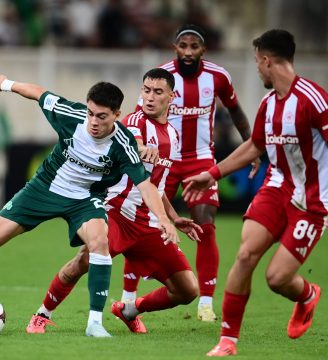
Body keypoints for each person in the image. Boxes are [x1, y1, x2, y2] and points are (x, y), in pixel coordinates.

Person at [0, 74, 179, 338]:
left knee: (99, 243)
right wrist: (6, 84)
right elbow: (38, 93)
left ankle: (94, 323)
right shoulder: (70, 115)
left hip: (85, 199)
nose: (93, 121)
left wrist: (164, 220)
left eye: (101, 116)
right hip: (44, 187)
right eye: (90, 113)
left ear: (116, 115)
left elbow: (146, 186)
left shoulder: (123, 144)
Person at [182, 29, 328, 356]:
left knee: (277, 278)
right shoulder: (268, 103)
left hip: (312, 203)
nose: (257, 69)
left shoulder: (312, 99)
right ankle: (227, 341)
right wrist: (211, 173)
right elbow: (254, 147)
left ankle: (306, 295)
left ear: (266, 60)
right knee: (245, 255)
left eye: (256, 62)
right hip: (276, 188)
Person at [25, 68, 202, 336]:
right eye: (145, 90)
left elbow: (157, 186)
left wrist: (173, 218)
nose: (149, 97)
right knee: (82, 262)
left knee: (188, 290)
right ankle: (42, 314)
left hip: (148, 224)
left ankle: (129, 310)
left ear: (171, 97)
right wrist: (142, 149)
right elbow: (136, 143)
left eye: (157, 92)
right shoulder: (133, 121)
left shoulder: (174, 137)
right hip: (117, 212)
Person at [122, 24, 259, 322]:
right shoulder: (160, 77)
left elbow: (235, 111)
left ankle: (205, 303)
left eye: (193, 46)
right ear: (174, 48)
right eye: (182, 45)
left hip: (200, 160)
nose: (187, 51)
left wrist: (253, 147)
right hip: (163, 158)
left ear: (203, 50)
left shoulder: (218, 76)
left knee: (206, 223)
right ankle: (127, 297)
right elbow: (137, 117)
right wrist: (141, 148)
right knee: (141, 220)